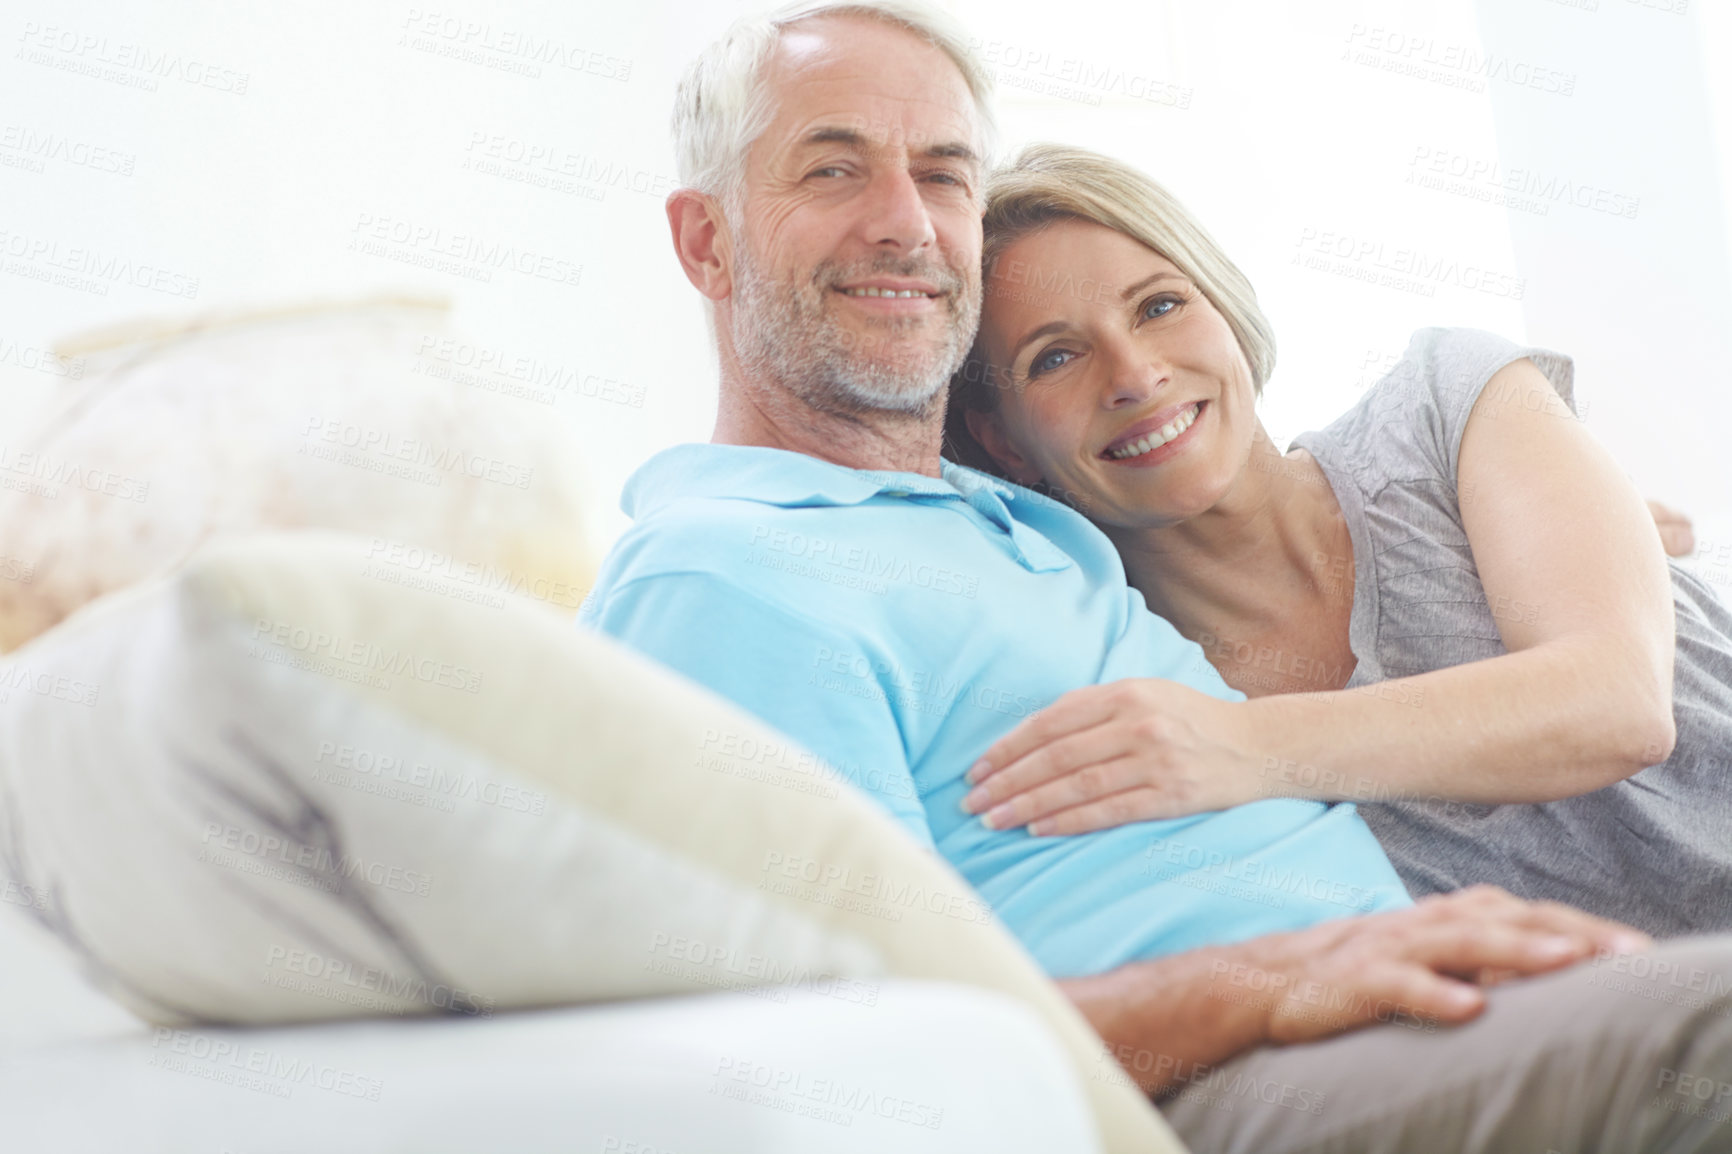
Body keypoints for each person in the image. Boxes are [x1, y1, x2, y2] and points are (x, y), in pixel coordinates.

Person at [579, 2, 1732, 1148]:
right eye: (832, 171)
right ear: (705, 241)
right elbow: (836, 1050)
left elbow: (1224, 472)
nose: (906, 223)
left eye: (941, 175)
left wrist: (1560, 511)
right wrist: (1267, 979)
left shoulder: (1029, 529)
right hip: (1244, 1061)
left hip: (1436, 993)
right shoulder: (724, 571)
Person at [947, 144, 1732, 938]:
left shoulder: (1441, 405)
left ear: (1224, 305)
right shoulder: (1141, 700)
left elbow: (1617, 707)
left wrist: (1244, 747)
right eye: (1055, 357)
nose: (1134, 375)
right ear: (1004, 444)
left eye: (1159, 306)